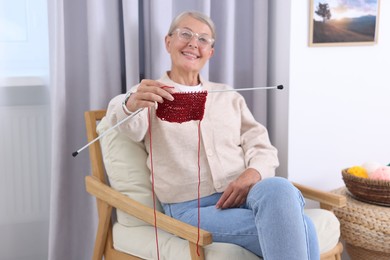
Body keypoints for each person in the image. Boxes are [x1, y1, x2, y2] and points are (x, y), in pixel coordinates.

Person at [106, 11, 319, 259]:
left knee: (280, 187)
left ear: (211, 52)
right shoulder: (149, 93)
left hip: (248, 194)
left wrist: (252, 174)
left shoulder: (227, 95)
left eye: (203, 39)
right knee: (304, 227)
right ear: (168, 42)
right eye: (185, 34)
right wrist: (129, 103)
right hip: (191, 209)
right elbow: (128, 125)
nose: (193, 43)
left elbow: (262, 148)